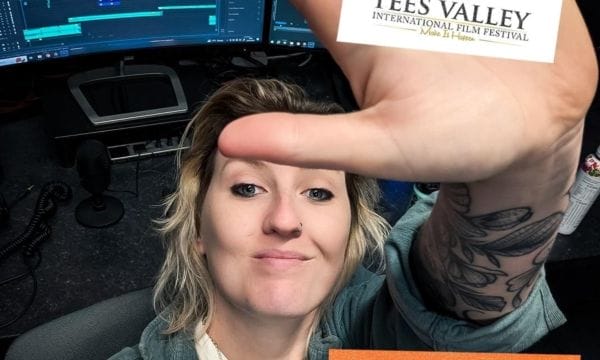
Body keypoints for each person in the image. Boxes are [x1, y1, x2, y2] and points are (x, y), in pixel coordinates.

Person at [111, 0, 598, 358]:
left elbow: (464, 326)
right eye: (247, 188)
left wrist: (526, 166)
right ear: (197, 229)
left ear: (351, 232)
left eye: (319, 193)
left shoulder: (384, 338)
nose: (284, 219)